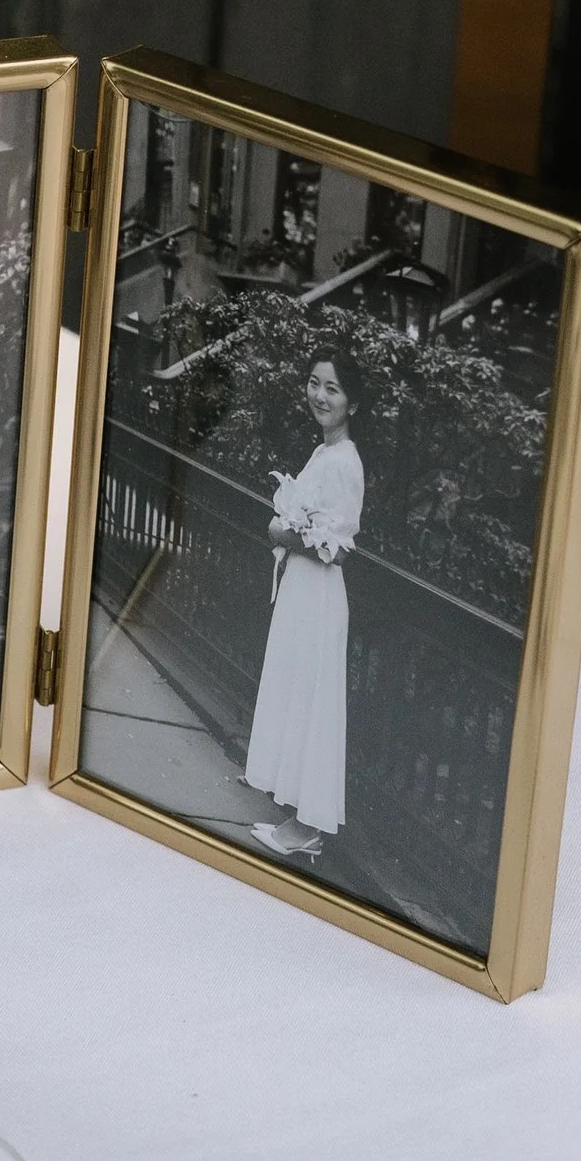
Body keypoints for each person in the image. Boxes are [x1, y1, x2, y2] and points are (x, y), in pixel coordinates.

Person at [244, 350, 365, 859]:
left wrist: (284, 531)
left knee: (314, 704)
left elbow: (335, 548)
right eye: (314, 383)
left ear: (352, 402)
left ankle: (307, 827)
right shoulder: (323, 454)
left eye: (332, 389)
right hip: (300, 590)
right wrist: (289, 527)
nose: (319, 395)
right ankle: (294, 814)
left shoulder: (346, 464)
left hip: (319, 596)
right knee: (296, 695)